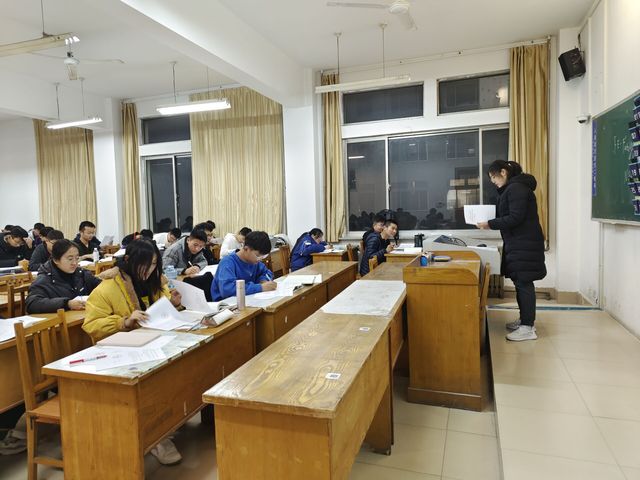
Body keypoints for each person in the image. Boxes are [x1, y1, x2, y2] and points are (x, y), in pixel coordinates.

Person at [82, 239, 182, 465]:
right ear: (129, 261)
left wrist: (174, 304)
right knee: (156, 383)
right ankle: (157, 436)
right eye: (145, 264)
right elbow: (92, 325)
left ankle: (167, 423)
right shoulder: (107, 287)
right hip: (122, 352)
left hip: (152, 345)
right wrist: (124, 321)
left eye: (154, 264)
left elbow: (160, 311)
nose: (149, 269)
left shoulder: (155, 282)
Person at [477, 160, 546, 342]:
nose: (493, 181)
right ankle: (525, 321)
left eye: (493, 177)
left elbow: (515, 217)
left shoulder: (516, 188)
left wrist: (489, 224)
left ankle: (527, 328)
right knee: (520, 282)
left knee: (524, 283)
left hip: (524, 243)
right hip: (520, 242)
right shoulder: (515, 188)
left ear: (503, 172)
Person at [26, 239, 101, 313]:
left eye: (77, 258)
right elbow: (32, 304)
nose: (74, 263)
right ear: (56, 260)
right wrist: (67, 304)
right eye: (70, 259)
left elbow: (99, 285)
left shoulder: (81, 273)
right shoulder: (44, 280)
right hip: (61, 319)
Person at [211, 231, 276, 301]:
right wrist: (260, 287)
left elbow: (267, 272)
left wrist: (263, 280)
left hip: (248, 299)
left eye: (263, 256)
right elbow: (227, 290)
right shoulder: (227, 263)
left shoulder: (254, 261)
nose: (260, 259)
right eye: (257, 255)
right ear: (246, 248)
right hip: (227, 303)